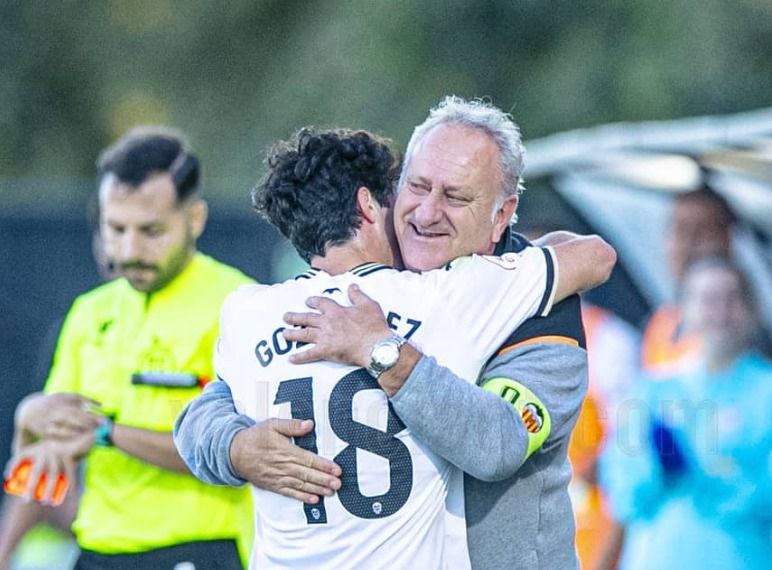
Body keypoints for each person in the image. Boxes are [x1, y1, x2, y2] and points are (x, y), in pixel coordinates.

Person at [175, 97, 598, 569]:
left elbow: (496, 444)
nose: (427, 212)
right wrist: (234, 449)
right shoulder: (395, 293)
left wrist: (383, 352)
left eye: (455, 197)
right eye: (417, 186)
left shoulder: (540, 312)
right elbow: (206, 409)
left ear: (503, 214)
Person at [1, 127, 254, 569]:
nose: (130, 250)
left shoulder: (240, 306)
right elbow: (48, 459)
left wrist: (108, 433)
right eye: (116, 229)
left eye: (151, 231)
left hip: (198, 547)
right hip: (97, 550)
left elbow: (242, 452)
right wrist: (29, 424)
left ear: (194, 219)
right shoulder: (88, 312)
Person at [600, 258, 772, 570]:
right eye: (707, 300)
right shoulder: (649, 391)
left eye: (731, 299)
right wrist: (657, 466)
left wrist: (711, 480)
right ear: (683, 309)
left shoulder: (766, 392)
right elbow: (622, 493)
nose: (719, 313)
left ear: (750, 307)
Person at [641, 187, 736, 375]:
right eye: (681, 229)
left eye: (703, 231)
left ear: (726, 240)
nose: (689, 243)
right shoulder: (661, 323)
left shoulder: (737, 324)